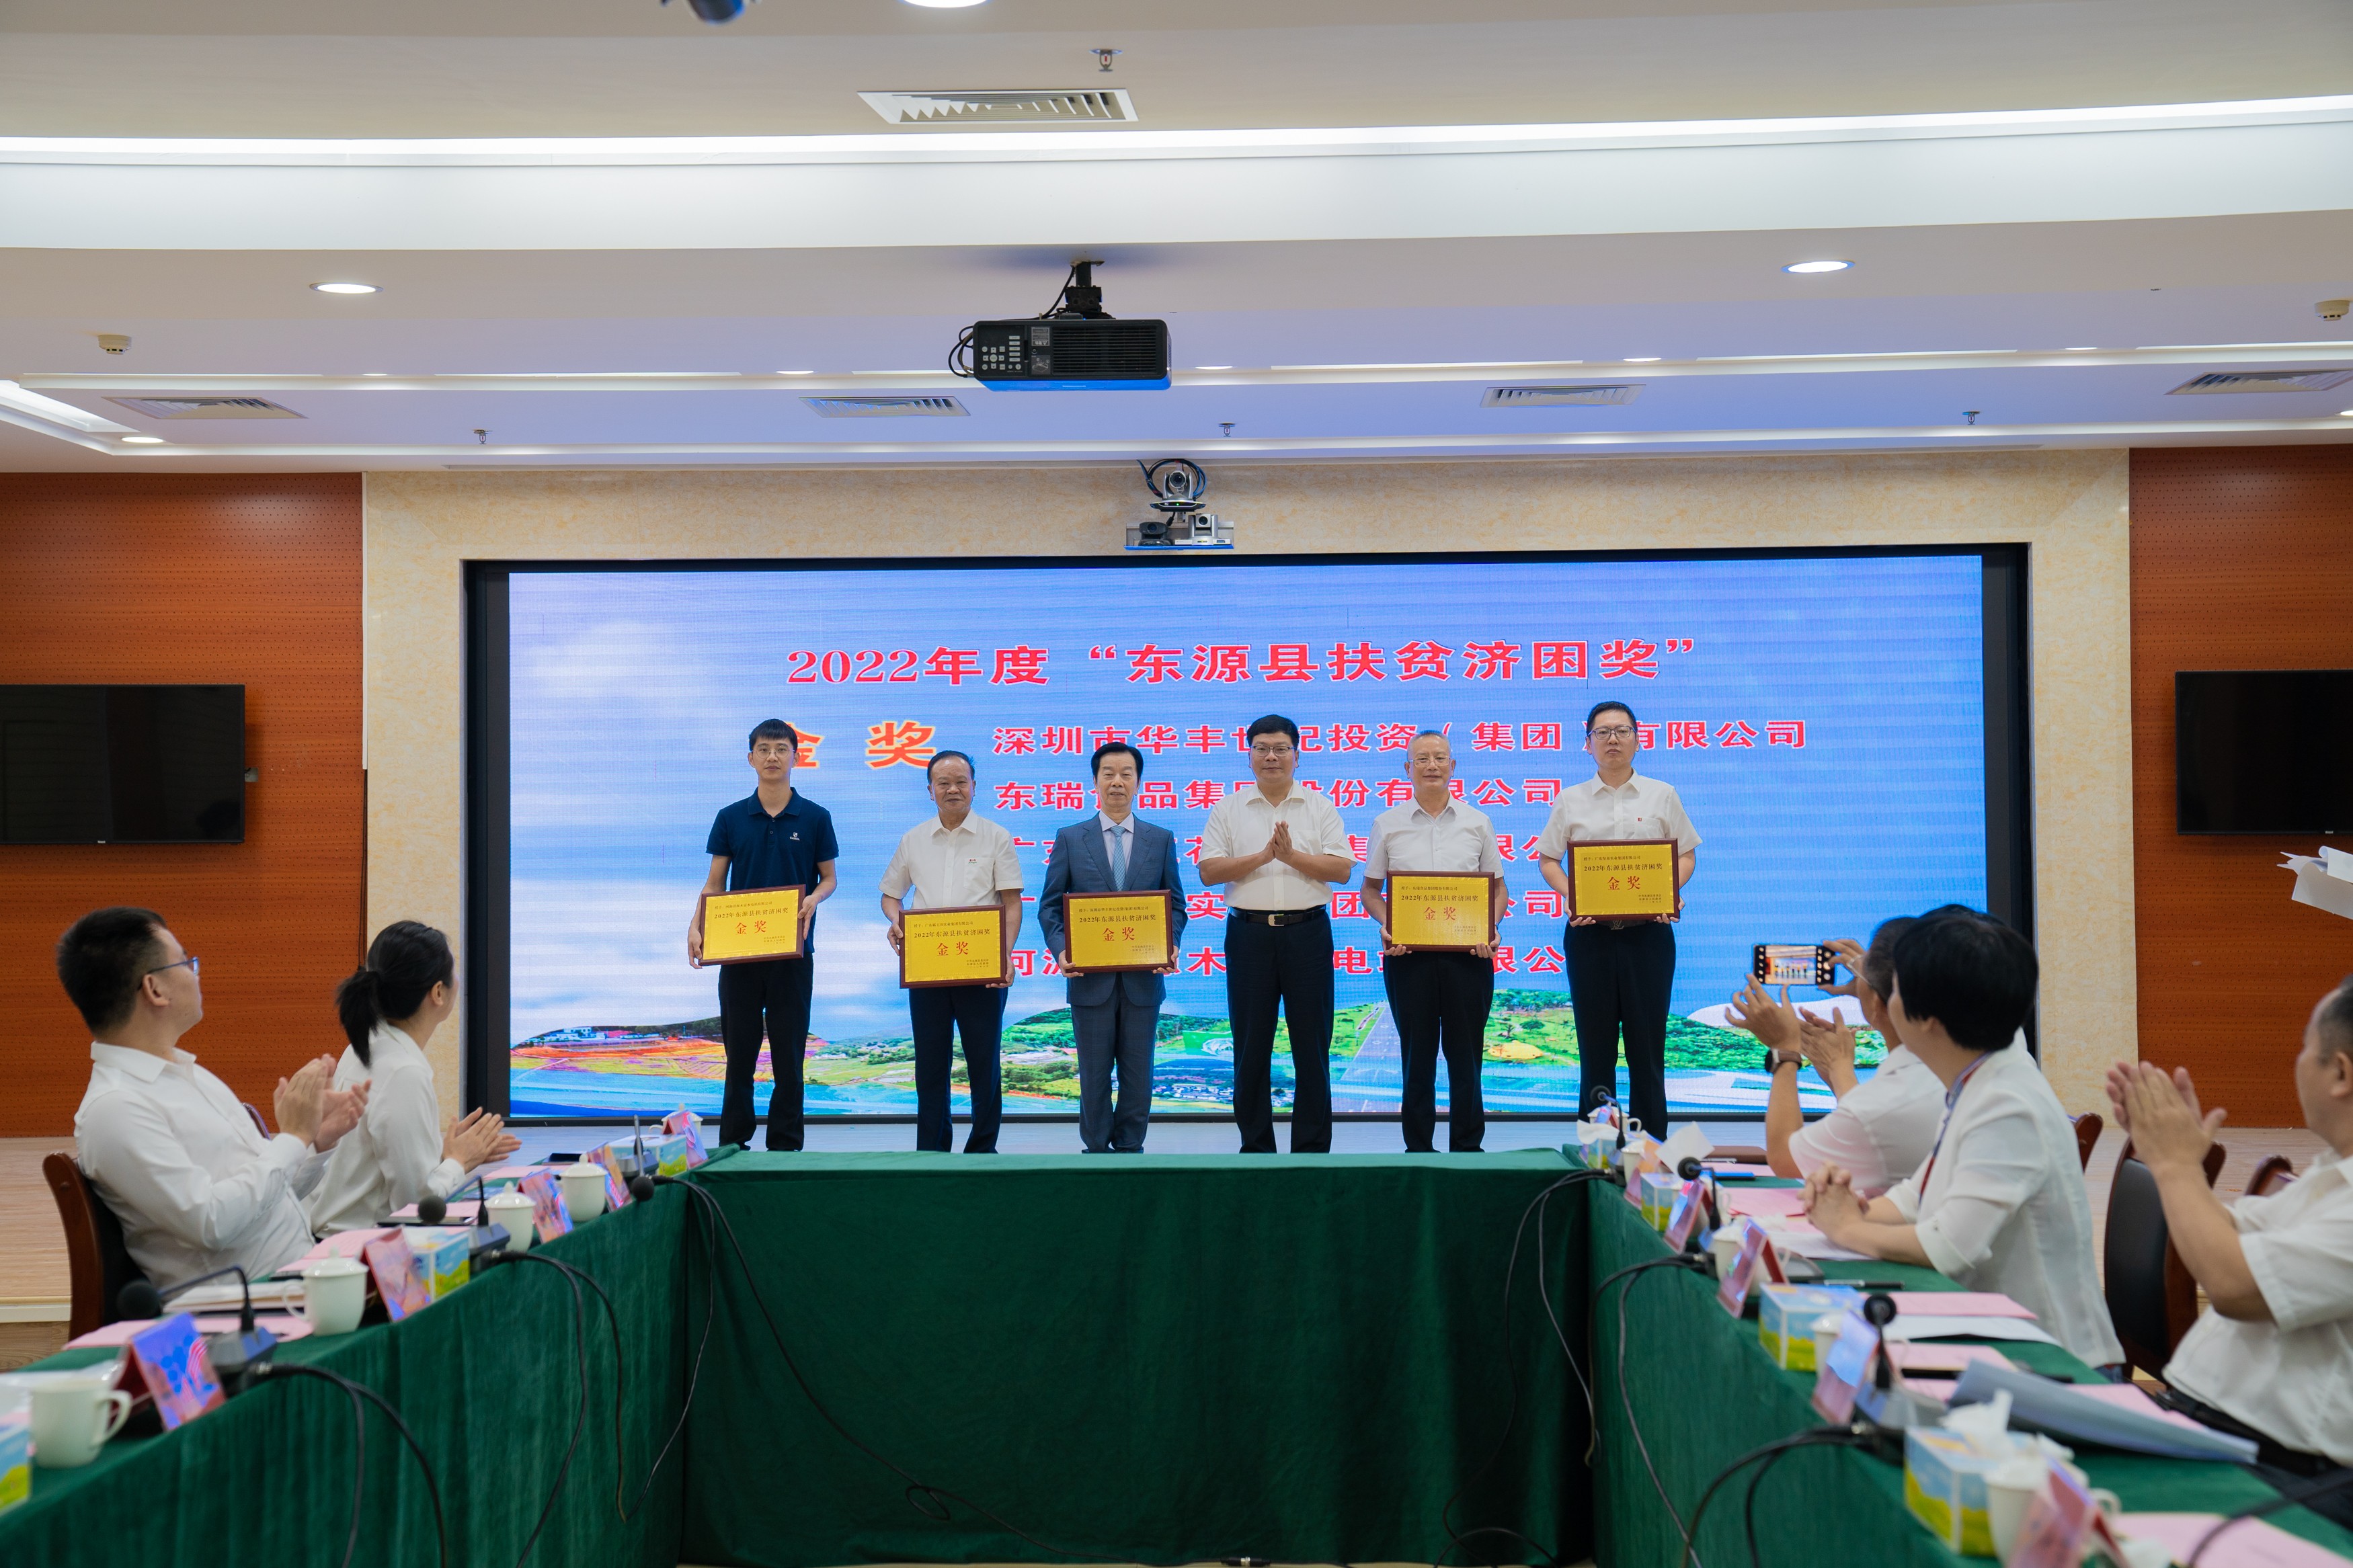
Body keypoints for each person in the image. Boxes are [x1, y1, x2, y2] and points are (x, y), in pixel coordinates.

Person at [1803, 908, 2123, 1366]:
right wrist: (1851, 1208)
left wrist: (1847, 1228)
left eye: (1896, 990)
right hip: (1997, 1337)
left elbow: (1950, 1247)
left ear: (1929, 1019)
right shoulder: (1977, 1076)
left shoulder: (2007, 1103)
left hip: (2053, 1363)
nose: (1883, 1003)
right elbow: (1917, 1197)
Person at [2106, 979, 2353, 1526]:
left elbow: (2233, 1284)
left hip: (2285, 1474)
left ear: (2340, 1073)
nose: (2297, 1063)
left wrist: (2175, 1165)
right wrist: (2174, 1157)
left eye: (2305, 1047)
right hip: (2213, 1431)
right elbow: (2228, 1238)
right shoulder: (2332, 1174)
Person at [62, 907, 368, 1290]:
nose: (196, 974)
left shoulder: (187, 1073)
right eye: (185, 963)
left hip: (294, 1280)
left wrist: (313, 1141)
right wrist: (292, 1138)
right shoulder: (115, 1109)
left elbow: (263, 1201)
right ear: (154, 989)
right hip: (243, 1309)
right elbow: (212, 1224)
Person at [1535, 701, 1700, 1137]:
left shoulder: (1662, 794)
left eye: (1622, 731)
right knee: (1596, 1050)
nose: (1613, 739)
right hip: (1590, 937)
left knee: (1648, 1049)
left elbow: (1685, 855)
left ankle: (1651, 1149)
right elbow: (1549, 860)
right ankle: (1600, 1149)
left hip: (1649, 937)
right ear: (1587, 743)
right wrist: (1574, 897)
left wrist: (1669, 892)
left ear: (1637, 740)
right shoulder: (1570, 799)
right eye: (1603, 732)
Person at [1197, 714, 1356, 1154]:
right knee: (1250, 1046)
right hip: (1248, 936)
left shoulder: (1319, 807)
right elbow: (1209, 871)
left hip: (1308, 934)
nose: (1272, 756)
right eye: (1262, 748)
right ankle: (1256, 1148)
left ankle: (1311, 1148)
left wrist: (1291, 856)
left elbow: (1342, 869)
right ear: (1249, 756)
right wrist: (1264, 856)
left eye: (1281, 748)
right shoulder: (1228, 809)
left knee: (1312, 1045)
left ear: (1296, 756)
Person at [307, 921, 520, 1233]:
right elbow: (418, 1207)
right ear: (438, 993)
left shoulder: (364, 1046)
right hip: (361, 1249)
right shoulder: (403, 1072)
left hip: (329, 1239)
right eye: (454, 972)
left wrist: (444, 1154)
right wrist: (458, 1162)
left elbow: (375, 1165)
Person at [689, 718, 839, 1151]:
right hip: (739, 952)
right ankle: (734, 1142)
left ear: (796, 757)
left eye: (781, 749)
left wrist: (814, 898)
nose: (773, 756)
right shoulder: (731, 817)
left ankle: (786, 1145)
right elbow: (714, 883)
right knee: (739, 1052)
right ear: (751, 758)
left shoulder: (816, 817)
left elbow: (829, 878)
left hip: (794, 952)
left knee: (789, 1054)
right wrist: (695, 925)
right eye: (764, 749)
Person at [1037, 742, 1189, 1153]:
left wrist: (1171, 944)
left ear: (1139, 782)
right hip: (1089, 979)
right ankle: (1094, 1150)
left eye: (1126, 774)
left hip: (1144, 978)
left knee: (1139, 1073)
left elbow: (1175, 905)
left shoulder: (1161, 839)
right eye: (1108, 773)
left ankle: (1130, 1149)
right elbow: (1050, 906)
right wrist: (1061, 951)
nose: (1117, 781)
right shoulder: (1071, 838)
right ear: (1095, 781)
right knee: (1093, 1073)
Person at [1362, 729, 1507, 1153]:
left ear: (1453, 766)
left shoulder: (1478, 822)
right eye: (1422, 759)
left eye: (1440, 758)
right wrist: (1389, 924)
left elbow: (1498, 890)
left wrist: (1490, 928)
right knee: (1416, 1057)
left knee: (1467, 1056)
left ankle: (1468, 1148)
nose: (1431, 765)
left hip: (1469, 957)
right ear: (1407, 768)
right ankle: (1418, 1149)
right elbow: (1370, 890)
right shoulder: (1387, 824)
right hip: (1408, 956)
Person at [1728, 917, 1944, 1194]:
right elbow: (1870, 1126)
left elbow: (1785, 1158)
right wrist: (1836, 1068)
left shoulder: (1889, 1104)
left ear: (1879, 1002)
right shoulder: (1945, 1072)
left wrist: (1785, 1051)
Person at [879, 749, 1024, 1153]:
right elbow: (890, 895)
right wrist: (897, 920)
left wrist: (1005, 954)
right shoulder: (913, 840)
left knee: (984, 1062)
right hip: (928, 967)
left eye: (961, 781)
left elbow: (1012, 903)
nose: (953, 789)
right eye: (943, 783)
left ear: (975, 787)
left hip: (982, 967)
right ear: (930, 790)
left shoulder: (997, 837)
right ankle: (932, 1150)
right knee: (930, 1063)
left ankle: (983, 1149)